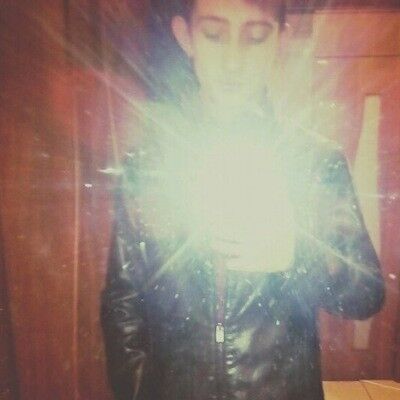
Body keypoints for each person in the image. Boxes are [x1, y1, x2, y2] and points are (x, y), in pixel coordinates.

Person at [100, 1, 385, 399]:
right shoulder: (149, 165)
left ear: (279, 41)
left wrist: (297, 258)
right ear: (186, 37)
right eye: (215, 35)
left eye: (255, 37)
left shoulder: (316, 163)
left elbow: (367, 294)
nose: (233, 61)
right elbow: (123, 302)